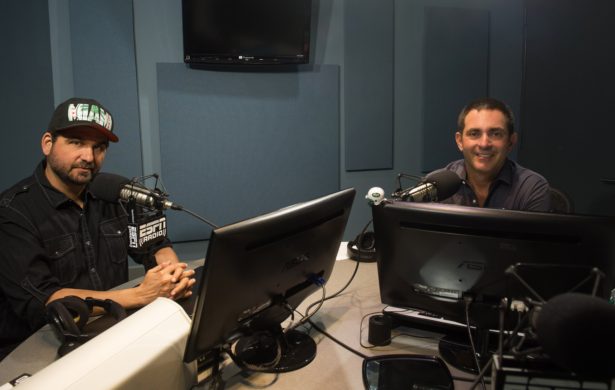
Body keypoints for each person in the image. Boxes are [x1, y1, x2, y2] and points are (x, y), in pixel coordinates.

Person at [0, 97, 196, 359]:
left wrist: (170, 275)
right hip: (42, 348)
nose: (88, 157)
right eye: (76, 143)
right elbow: (47, 301)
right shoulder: (13, 212)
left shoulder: (113, 192)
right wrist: (139, 296)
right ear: (48, 144)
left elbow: (155, 244)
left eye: (99, 147)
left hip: (113, 333)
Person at [438, 97, 551, 211]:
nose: (484, 144)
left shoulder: (531, 188)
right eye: (474, 134)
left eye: (496, 134)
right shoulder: (436, 186)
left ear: (511, 142)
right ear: (460, 141)